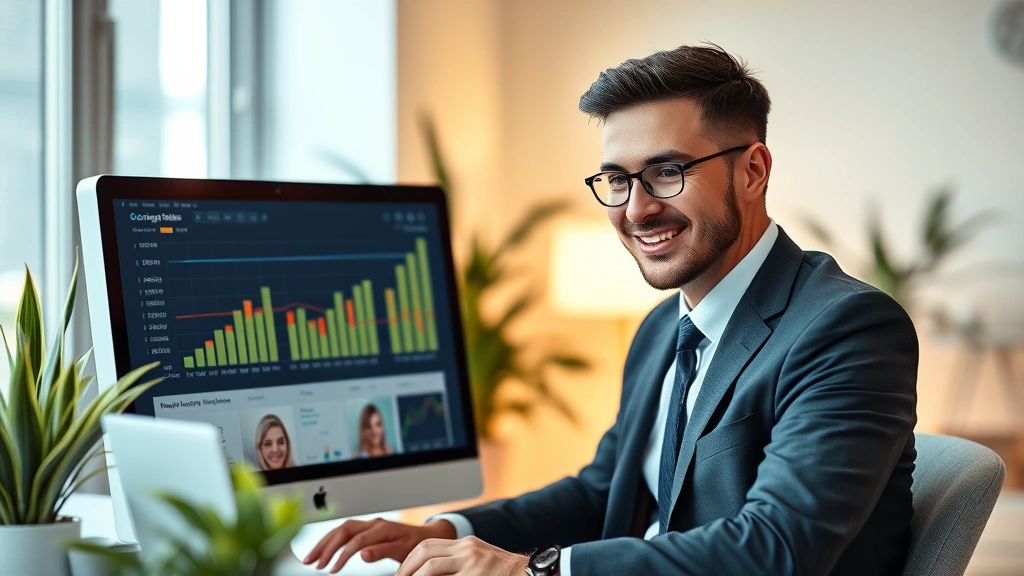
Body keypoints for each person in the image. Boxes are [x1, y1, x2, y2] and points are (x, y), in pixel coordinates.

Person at [303, 44, 918, 576]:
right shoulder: (664, 329)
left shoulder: (846, 329)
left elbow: (778, 548)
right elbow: (604, 493)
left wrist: (532, 569)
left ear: (752, 171)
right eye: (617, 180)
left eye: (667, 172)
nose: (636, 209)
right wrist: (445, 532)